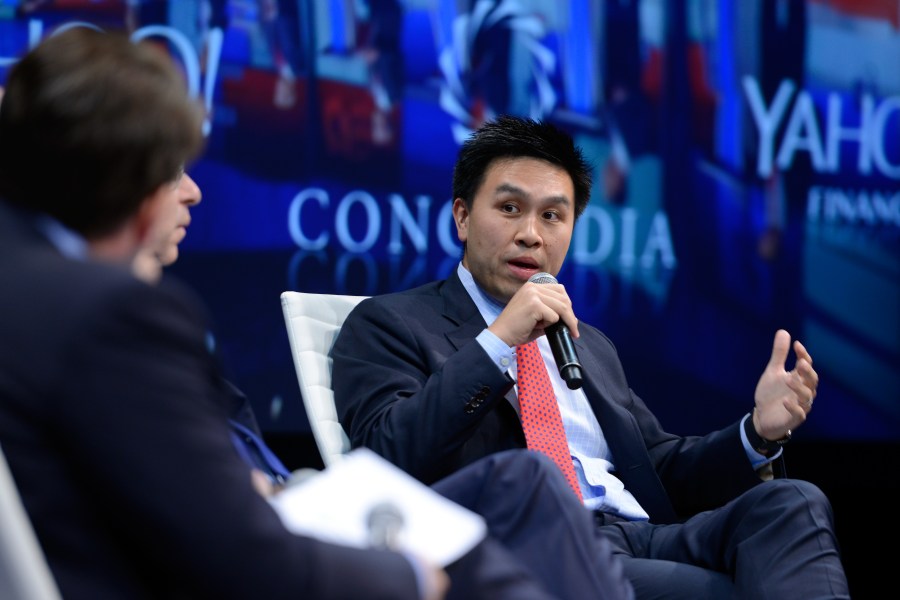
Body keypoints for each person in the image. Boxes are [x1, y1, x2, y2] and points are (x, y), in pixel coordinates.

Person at [0, 28, 634, 600]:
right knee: (498, 518)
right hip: (238, 556)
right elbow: (235, 551)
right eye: (172, 173)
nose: (194, 190)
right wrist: (408, 576)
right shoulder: (109, 315)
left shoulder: (35, 289)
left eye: (553, 216)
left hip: (265, 506)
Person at [332, 115, 851, 598]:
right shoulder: (389, 323)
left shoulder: (587, 344)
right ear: (463, 217)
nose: (531, 233)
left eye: (553, 215)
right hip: (530, 546)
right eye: (510, 208)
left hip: (638, 534)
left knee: (794, 503)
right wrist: (497, 342)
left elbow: (662, 467)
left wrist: (757, 433)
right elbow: (384, 455)